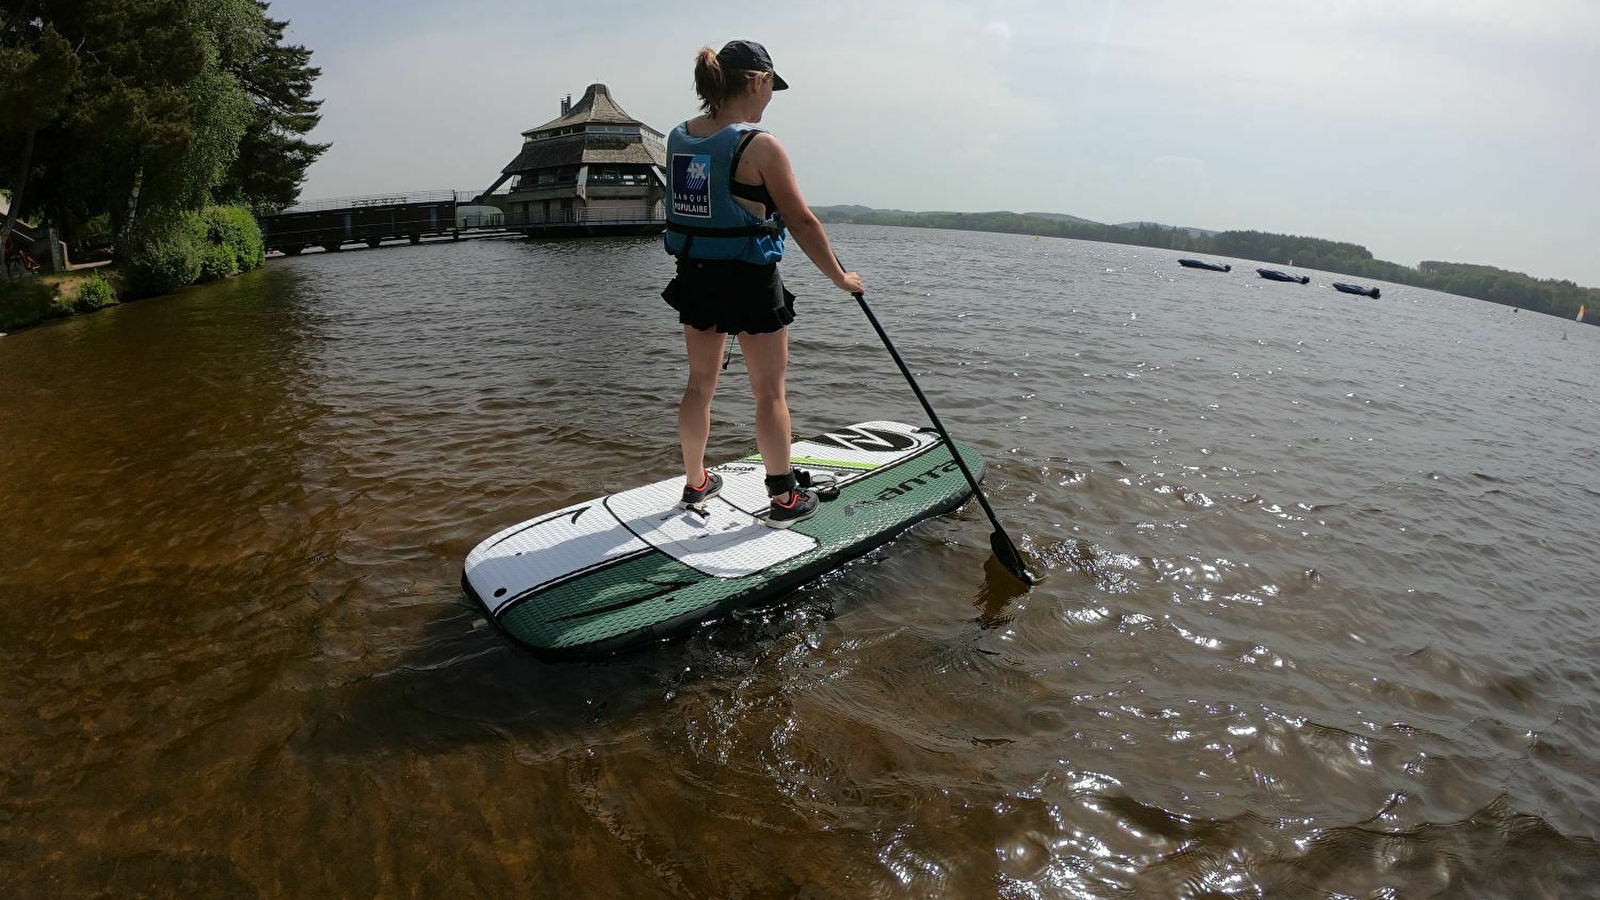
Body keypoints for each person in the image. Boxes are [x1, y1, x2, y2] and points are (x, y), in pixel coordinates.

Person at [662, 39, 864, 528]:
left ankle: (695, 482)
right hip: (750, 279)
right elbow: (803, 222)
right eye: (771, 84)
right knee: (769, 392)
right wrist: (841, 278)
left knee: (699, 384)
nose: (771, 95)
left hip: (695, 275)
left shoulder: (678, 136)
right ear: (756, 81)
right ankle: (783, 499)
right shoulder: (761, 144)